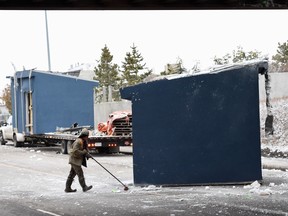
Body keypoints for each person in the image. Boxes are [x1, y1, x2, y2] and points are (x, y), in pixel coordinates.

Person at [64, 128, 93, 192]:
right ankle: (84, 187)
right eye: (87, 136)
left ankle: (67, 188)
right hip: (75, 160)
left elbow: (85, 150)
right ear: (84, 136)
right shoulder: (78, 141)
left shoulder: (83, 141)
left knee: (72, 174)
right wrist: (84, 153)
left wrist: (88, 155)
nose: (87, 138)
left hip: (76, 160)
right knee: (80, 174)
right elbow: (75, 151)